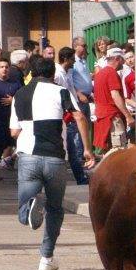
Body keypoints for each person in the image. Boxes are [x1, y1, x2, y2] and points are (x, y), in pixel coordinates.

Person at [9, 57, 95, 270]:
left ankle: (29, 206)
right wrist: (87, 149)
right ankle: (46, 258)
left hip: (28, 156)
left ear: (31, 72)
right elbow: (80, 117)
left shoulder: (19, 94)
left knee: (24, 208)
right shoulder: (61, 91)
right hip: (55, 158)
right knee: (55, 209)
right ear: (53, 75)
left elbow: (14, 131)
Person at [55, 46, 89, 185]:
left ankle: (80, 176)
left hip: (71, 114)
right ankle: (80, 178)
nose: (74, 63)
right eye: (72, 60)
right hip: (67, 117)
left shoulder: (65, 72)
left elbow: (70, 90)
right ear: (65, 59)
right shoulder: (58, 75)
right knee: (74, 148)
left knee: (75, 147)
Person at [91, 47, 133, 152]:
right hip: (113, 117)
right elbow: (115, 95)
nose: (123, 64)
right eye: (122, 60)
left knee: (108, 150)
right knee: (119, 150)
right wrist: (128, 116)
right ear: (117, 59)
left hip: (102, 117)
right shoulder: (112, 73)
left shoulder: (99, 74)